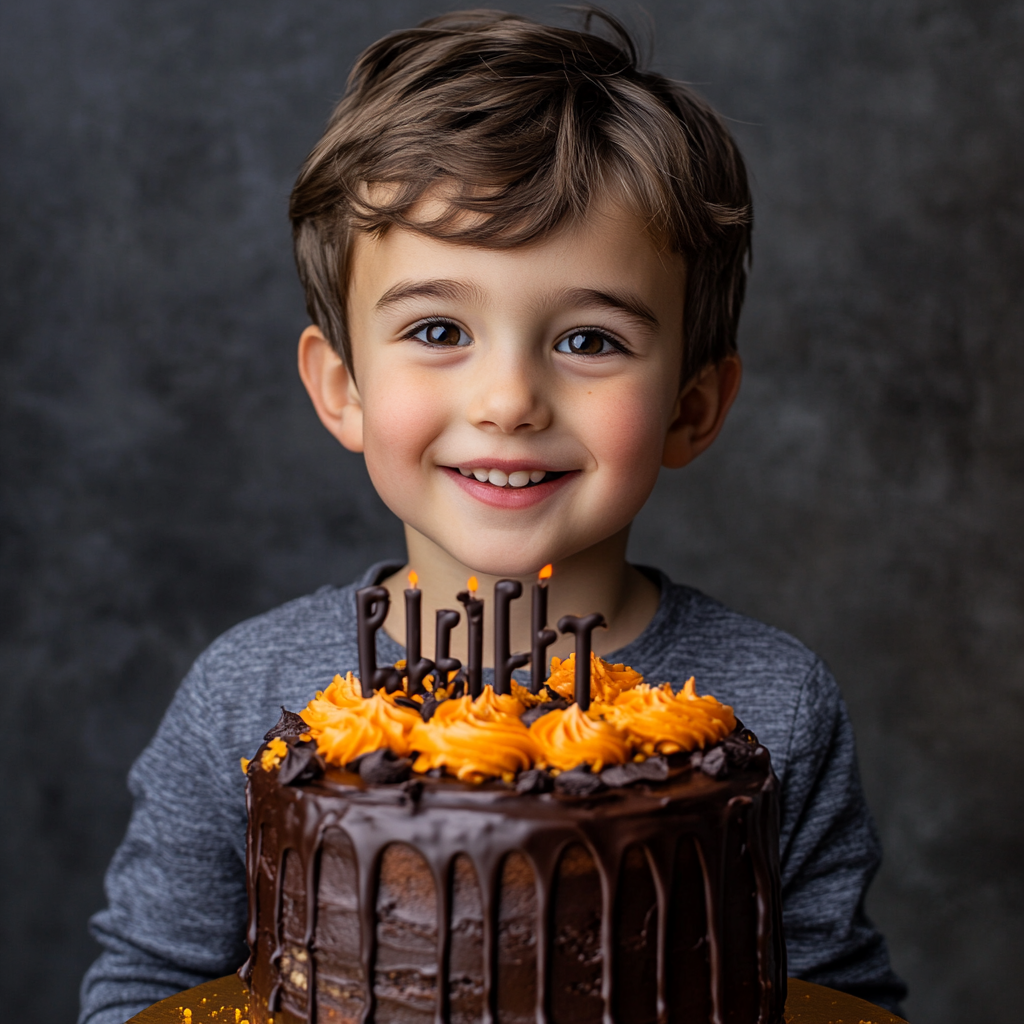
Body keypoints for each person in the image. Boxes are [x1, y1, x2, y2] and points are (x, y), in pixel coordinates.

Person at [79, 10, 907, 1022]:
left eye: (592, 340)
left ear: (691, 408)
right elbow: (148, 988)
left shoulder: (774, 703)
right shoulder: (246, 695)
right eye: (438, 329)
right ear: (341, 387)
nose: (508, 399)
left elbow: (827, 998)